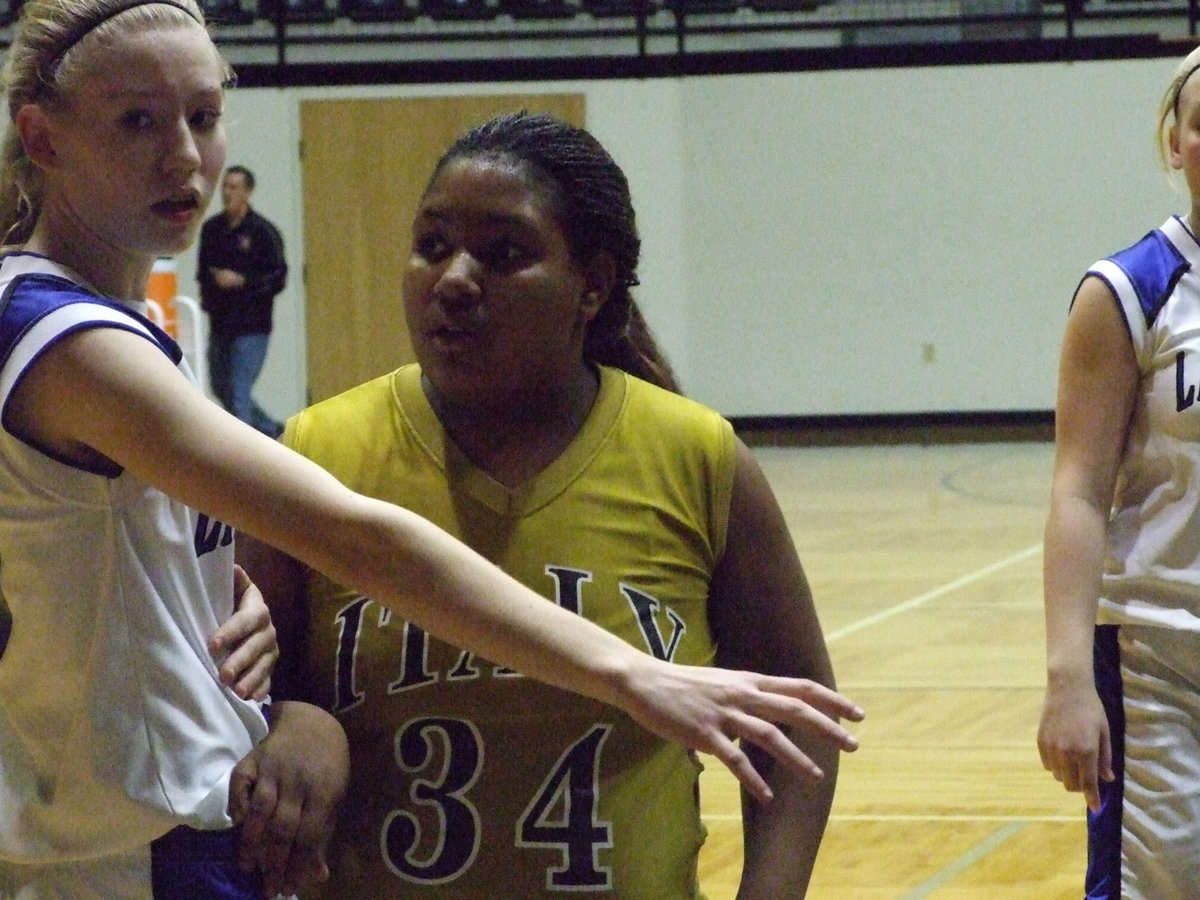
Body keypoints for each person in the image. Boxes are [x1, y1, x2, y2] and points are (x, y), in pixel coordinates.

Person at [0, 4, 862, 898]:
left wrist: (228, 599)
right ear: (42, 136)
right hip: (120, 850)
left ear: (593, 286)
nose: (184, 154)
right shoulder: (62, 338)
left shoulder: (120, 327)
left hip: (157, 830)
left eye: (204, 116)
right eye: (137, 120)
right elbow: (363, 540)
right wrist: (632, 674)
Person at [238, 111, 850, 898]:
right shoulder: (319, 453)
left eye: (504, 255)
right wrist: (295, 721)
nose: (454, 279)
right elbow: (237, 701)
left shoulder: (693, 455)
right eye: (431, 246)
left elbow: (796, 720)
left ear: (591, 284)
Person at [1037, 45, 1200, 899]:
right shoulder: (1128, 290)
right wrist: (1067, 677)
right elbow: (1077, 489)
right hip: (1158, 657)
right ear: (1174, 141)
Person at [197, 164, 287, 438]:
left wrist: (242, 282)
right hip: (221, 322)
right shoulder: (212, 230)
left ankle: (246, 459)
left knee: (238, 392)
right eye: (225, 186)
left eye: (234, 187)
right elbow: (203, 271)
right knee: (221, 387)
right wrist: (212, 290)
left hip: (251, 326)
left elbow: (277, 278)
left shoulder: (263, 232)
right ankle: (273, 431)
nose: (227, 192)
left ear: (248, 192)